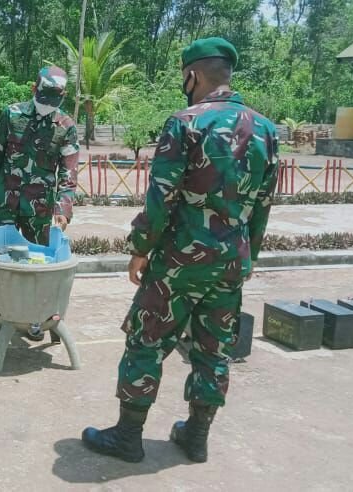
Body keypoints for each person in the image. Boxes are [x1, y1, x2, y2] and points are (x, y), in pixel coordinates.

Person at [81, 37, 280, 464]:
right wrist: (249, 256)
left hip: (180, 260)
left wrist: (140, 248)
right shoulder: (266, 129)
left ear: (192, 76)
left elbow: (162, 196)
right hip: (231, 260)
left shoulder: (185, 123)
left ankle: (128, 436)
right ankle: (196, 436)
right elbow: (263, 204)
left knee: (146, 340)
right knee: (214, 348)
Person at [0, 66, 79, 341]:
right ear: (33, 89)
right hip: (5, 201)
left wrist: (63, 209)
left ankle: (35, 319)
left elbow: (69, 172)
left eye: (54, 99)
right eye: (44, 97)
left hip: (39, 209)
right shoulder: (12, 114)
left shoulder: (66, 126)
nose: (47, 104)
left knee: (36, 265)